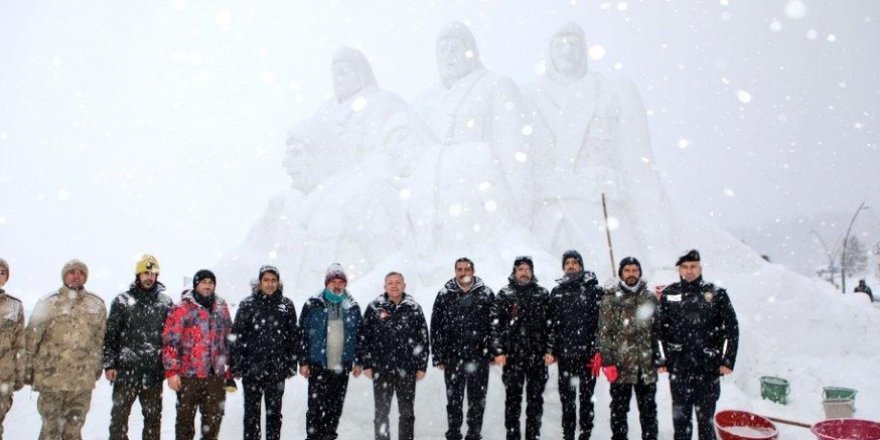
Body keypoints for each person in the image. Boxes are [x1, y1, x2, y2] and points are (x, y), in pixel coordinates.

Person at [525, 22, 674, 266]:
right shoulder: (529, 96)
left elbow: (639, 169)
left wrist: (660, 253)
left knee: (614, 287)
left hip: (602, 216)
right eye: (560, 44)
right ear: (549, 51)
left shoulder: (612, 90)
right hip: (549, 223)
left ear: (584, 49)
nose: (567, 51)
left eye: (573, 44)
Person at [655, 250, 739, 440]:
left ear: (700, 268)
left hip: (707, 369)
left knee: (706, 423)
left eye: (693, 266)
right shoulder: (670, 294)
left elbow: (732, 329)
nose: (689, 271)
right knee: (681, 423)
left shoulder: (715, 294)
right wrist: (659, 358)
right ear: (679, 270)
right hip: (679, 368)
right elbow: (656, 330)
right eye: (685, 267)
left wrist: (728, 360)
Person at [25, 259, 107, 440]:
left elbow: (100, 340)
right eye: (72, 271)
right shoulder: (48, 303)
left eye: (81, 272)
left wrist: (97, 367)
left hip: (81, 381)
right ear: (64, 275)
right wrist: (28, 369)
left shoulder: (97, 305)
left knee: (74, 430)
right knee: (50, 429)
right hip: (51, 379)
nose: (76, 275)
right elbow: (31, 339)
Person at [104, 255, 173, 440]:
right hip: (126, 372)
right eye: (145, 273)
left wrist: (170, 367)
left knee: (152, 420)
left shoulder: (165, 303)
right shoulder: (122, 301)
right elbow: (111, 335)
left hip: (153, 373)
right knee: (118, 420)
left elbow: (171, 339)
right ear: (138, 275)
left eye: (153, 273)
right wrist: (110, 364)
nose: (149, 277)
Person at [430, 257, 500, 440]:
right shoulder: (445, 294)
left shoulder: (485, 293)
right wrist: (438, 355)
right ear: (455, 272)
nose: (463, 272)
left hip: (479, 356)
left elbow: (495, 325)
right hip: (453, 356)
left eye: (466, 269)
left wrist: (492, 351)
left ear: (473, 271)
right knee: (454, 400)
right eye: (459, 269)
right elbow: (436, 325)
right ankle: (453, 434)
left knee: (477, 400)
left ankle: (473, 434)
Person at [162, 269, 235, 440]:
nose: (207, 286)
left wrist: (228, 372)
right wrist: (171, 373)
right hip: (189, 376)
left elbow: (228, 340)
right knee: (185, 424)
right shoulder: (182, 308)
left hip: (215, 377)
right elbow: (170, 341)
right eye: (204, 282)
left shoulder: (221, 306)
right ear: (196, 284)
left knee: (212, 424)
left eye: (211, 283)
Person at [231, 265, 300, 440]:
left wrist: (291, 364)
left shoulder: (286, 305)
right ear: (260, 282)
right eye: (266, 280)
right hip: (251, 371)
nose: (270, 284)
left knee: (274, 416)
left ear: (278, 282)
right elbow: (236, 336)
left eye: (273, 280)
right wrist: (236, 364)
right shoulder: (247, 304)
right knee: (251, 416)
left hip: (277, 371)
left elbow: (293, 337)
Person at [359, 272, 430, 440]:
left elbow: (423, 339)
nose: (394, 285)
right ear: (385, 287)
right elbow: (363, 337)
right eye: (390, 282)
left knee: (406, 413)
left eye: (398, 282)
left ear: (404, 285)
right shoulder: (374, 307)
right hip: (381, 369)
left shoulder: (414, 308)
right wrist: (367, 364)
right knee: (381, 413)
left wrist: (421, 366)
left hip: (407, 369)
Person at [595, 257, 658, 440]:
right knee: (619, 411)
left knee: (648, 412)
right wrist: (607, 362)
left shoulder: (650, 298)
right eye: (627, 270)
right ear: (621, 273)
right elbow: (604, 333)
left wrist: (658, 357)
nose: (631, 274)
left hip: (645, 367)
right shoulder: (611, 299)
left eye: (635, 270)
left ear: (640, 273)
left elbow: (658, 330)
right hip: (620, 366)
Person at [299, 263, 362, 440]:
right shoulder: (313, 303)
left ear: (345, 284)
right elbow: (302, 333)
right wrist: (303, 361)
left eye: (340, 281)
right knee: (315, 410)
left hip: (342, 367)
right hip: (318, 365)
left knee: (334, 409)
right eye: (333, 281)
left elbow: (360, 335)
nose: (336, 285)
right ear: (326, 283)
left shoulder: (353, 306)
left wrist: (359, 361)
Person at [494, 256, 552, 440]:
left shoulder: (542, 294)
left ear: (532, 272)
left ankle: (532, 437)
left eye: (527, 269)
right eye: (520, 269)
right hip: (512, 358)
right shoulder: (505, 294)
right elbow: (495, 325)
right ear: (514, 272)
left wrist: (550, 350)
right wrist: (499, 351)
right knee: (512, 403)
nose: (524, 272)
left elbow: (551, 325)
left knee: (535, 403)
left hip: (537, 357)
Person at [547, 250, 604, 440]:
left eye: (575, 262)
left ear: (581, 265)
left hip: (588, 355)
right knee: (567, 399)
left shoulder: (594, 290)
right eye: (568, 262)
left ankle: (585, 433)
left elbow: (602, 323)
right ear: (563, 267)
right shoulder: (557, 292)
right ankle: (568, 434)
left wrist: (598, 349)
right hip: (565, 355)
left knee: (587, 397)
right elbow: (552, 324)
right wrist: (552, 350)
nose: (571, 265)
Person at [0, 258, 24, 440]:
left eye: (2, 272)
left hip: (3, 376)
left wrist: (19, 374)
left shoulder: (15, 306)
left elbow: (19, 344)